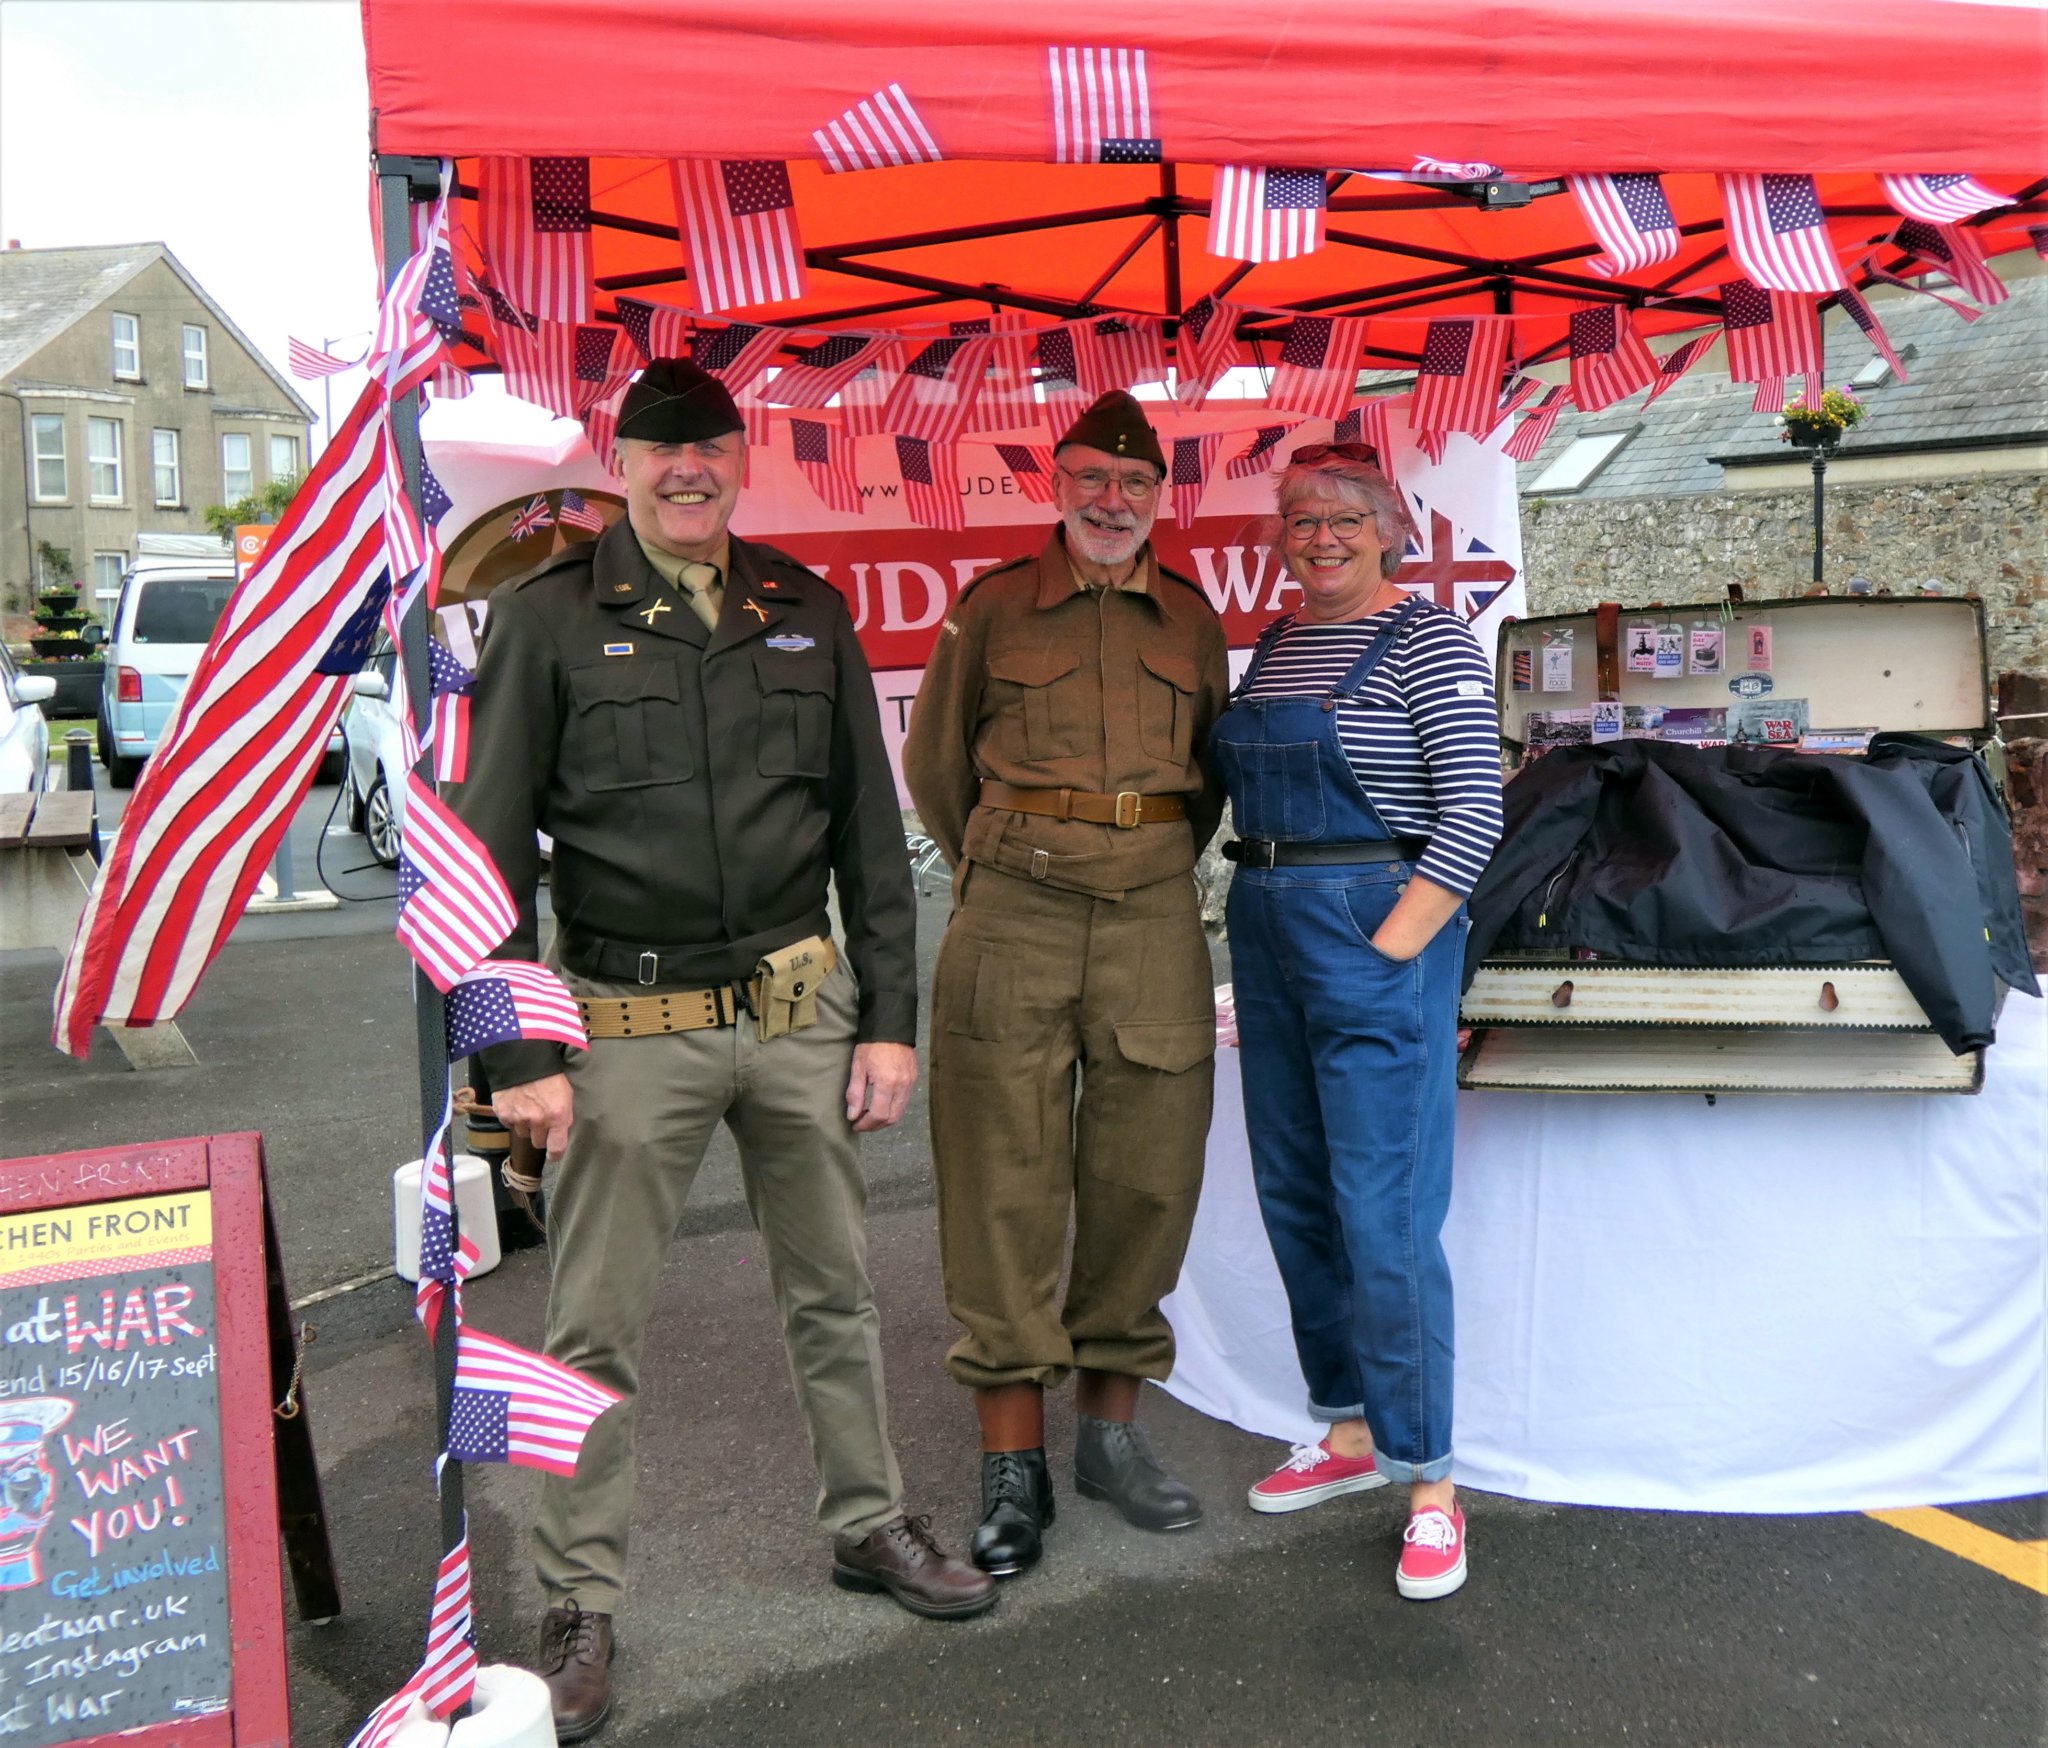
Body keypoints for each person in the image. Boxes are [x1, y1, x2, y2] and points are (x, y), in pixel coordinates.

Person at [454, 358, 995, 1742]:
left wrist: (888, 1023)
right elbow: (486, 848)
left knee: (839, 1295)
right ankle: (580, 1604)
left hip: (799, 1018)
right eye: (660, 450)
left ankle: (866, 1525)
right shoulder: (546, 621)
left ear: (741, 460)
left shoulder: (803, 612)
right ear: (619, 461)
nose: (688, 469)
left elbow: (872, 838)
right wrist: (515, 1056)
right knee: (592, 1329)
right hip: (624, 1032)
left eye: (710, 448)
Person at [902, 390, 1230, 1578]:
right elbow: (935, 763)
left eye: (1133, 485)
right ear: (1055, 482)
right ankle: (1009, 1461)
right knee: (1001, 1175)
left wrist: (1136, 866)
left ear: (1159, 498)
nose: (1111, 501)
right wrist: (1014, 864)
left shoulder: (1191, 622)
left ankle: (1108, 1437)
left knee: (1146, 1171)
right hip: (1015, 912)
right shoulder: (993, 606)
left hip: (1149, 912)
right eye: (1092, 477)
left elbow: (1209, 780)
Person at [1211, 444, 1502, 1601]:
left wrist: (1391, 948)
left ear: (1389, 526)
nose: (1317, 535)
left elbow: (1472, 812)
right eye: (1297, 517)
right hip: (1268, 921)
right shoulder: (1275, 643)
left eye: (1341, 516)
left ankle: (1430, 1483)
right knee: (1293, 1195)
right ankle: (1341, 1433)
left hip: (1373, 929)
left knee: (1383, 1211)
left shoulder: (1430, 639)